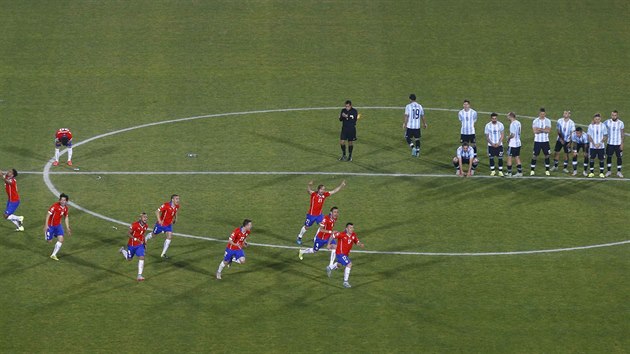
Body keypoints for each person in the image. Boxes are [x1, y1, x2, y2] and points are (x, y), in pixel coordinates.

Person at [296, 180, 346, 245]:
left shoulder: (324, 195)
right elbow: (308, 191)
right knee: (306, 227)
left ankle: (316, 238)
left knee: (322, 226)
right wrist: (309, 185)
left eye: (324, 189)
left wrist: (341, 185)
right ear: (318, 189)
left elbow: (334, 191)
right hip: (311, 215)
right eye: (322, 189)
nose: (323, 191)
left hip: (319, 215)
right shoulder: (314, 194)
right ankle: (299, 237)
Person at [326, 223, 365, 288]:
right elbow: (332, 236)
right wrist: (328, 244)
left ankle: (329, 268)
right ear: (346, 229)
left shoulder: (353, 235)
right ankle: (345, 282)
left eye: (352, 228)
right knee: (349, 264)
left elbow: (356, 241)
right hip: (340, 253)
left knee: (339, 265)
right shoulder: (341, 234)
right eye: (350, 228)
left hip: (346, 254)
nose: (352, 229)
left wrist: (360, 244)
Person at [145, 194, 180, 259]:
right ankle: (146, 238)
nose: (178, 200)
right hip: (160, 225)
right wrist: (159, 220)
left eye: (178, 199)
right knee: (153, 235)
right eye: (176, 199)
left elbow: (176, 211)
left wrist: (176, 218)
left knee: (169, 236)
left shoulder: (177, 206)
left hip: (168, 225)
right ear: (172, 200)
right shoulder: (166, 205)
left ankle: (163, 254)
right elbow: (157, 211)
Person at [119, 212, 150, 281]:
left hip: (139, 245)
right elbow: (128, 233)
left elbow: (143, 235)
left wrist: (145, 243)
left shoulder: (146, 226)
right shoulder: (134, 225)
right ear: (140, 218)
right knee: (129, 259)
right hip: (132, 245)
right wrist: (135, 238)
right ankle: (123, 250)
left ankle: (139, 275)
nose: (146, 218)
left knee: (142, 256)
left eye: (146, 217)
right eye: (144, 217)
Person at [44, 193, 71, 261]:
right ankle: (47, 233)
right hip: (50, 226)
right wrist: (46, 225)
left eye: (64, 200)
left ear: (66, 201)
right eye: (61, 200)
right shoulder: (54, 206)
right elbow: (48, 215)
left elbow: (66, 217)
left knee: (61, 239)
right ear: (59, 200)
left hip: (58, 226)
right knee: (49, 241)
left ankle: (53, 255)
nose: (62, 201)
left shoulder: (65, 208)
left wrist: (67, 227)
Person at [530, 108, 552, 176]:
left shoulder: (548, 121)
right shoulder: (535, 121)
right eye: (541, 114)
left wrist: (539, 129)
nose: (542, 115)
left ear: (545, 114)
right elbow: (535, 132)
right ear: (539, 113)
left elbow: (548, 131)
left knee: (547, 155)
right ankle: (532, 170)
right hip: (537, 141)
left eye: (543, 114)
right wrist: (544, 129)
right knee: (534, 156)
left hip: (545, 141)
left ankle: (547, 170)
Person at [604, 110, 624, 177]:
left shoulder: (621, 123)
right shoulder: (607, 122)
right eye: (613, 115)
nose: (614, 116)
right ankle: (609, 171)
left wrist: (622, 143)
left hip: (618, 144)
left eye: (615, 115)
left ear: (617, 115)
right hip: (610, 143)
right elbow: (600, 125)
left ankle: (619, 172)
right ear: (611, 115)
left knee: (619, 157)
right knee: (609, 157)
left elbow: (622, 134)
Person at [587, 113, 608, 178]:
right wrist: (594, 144)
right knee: (592, 159)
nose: (597, 120)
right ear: (594, 119)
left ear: (600, 119)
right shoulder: (591, 126)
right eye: (596, 119)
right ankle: (591, 173)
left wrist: (599, 143)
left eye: (598, 119)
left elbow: (605, 136)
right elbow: (589, 136)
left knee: (601, 159)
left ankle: (601, 173)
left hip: (601, 146)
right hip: (592, 146)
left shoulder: (603, 126)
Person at [506, 112, 523, 177]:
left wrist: (508, 138)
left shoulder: (512, 124)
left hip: (513, 144)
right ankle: (520, 172)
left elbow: (512, 135)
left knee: (509, 157)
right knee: (517, 157)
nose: (507, 117)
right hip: (518, 143)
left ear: (511, 116)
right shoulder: (518, 122)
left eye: (508, 116)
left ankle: (509, 173)